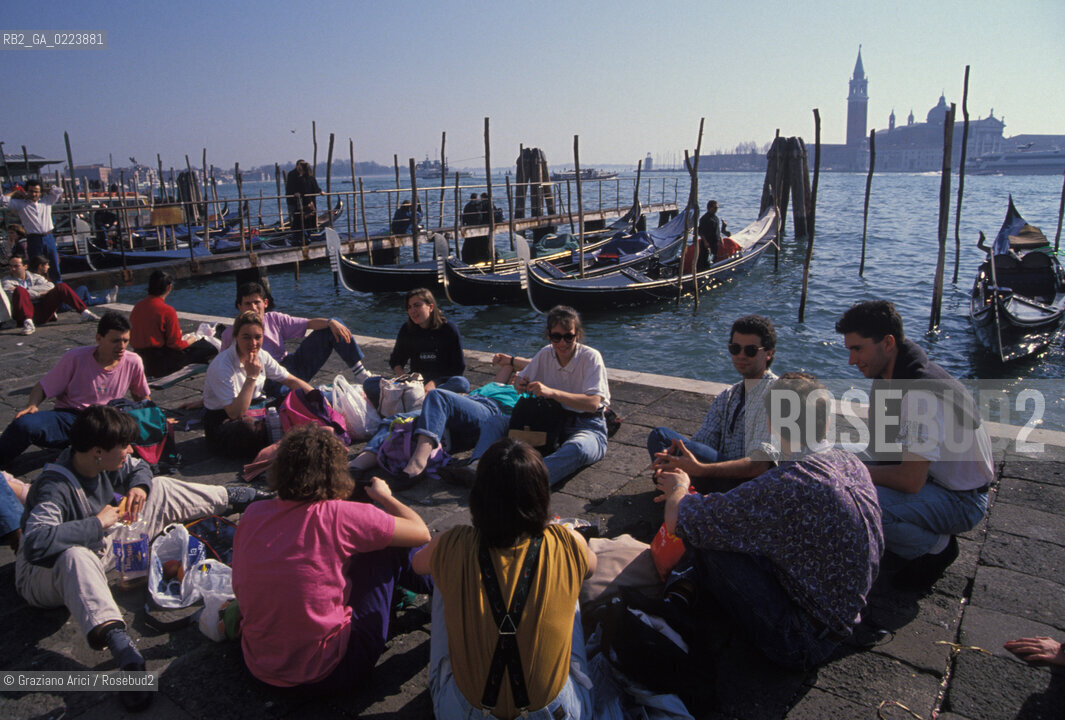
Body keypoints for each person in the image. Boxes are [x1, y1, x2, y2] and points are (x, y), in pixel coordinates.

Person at [15, 405, 271, 711]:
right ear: (97, 451)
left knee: (160, 488)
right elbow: (34, 544)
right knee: (75, 557)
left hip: (97, 544)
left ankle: (240, 498)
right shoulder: (54, 487)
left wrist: (139, 486)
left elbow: (139, 468)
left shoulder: (105, 461)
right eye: (123, 446)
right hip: (44, 573)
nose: (128, 451)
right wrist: (97, 524)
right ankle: (126, 655)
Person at [654, 373, 883, 670]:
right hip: (843, 611)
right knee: (737, 525)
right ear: (826, 422)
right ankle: (686, 590)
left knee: (708, 534)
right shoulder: (851, 462)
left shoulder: (788, 484)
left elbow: (678, 519)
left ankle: (677, 600)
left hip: (802, 640)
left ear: (772, 425)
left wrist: (680, 487)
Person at [232, 424, 431, 692]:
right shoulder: (338, 515)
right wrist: (386, 498)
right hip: (333, 670)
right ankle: (446, 586)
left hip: (260, 664)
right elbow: (421, 533)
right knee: (387, 547)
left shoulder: (254, 513)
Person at [412, 438, 597, 719]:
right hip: (553, 712)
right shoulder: (567, 542)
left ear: (479, 495)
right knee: (570, 574)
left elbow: (417, 564)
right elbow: (592, 567)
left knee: (442, 573)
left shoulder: (452, 543)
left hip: (469, 712)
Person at [836, 299, 993, 588]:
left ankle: (934, 548)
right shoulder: (894, 374)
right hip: (934, 479)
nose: (851, 360)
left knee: (854, 503)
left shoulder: (920, 395)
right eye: (849, 350)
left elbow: (910, 481)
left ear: (887, 342)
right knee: (837, 464)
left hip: (962, 500)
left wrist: (850, 470)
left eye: (858, 349)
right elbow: (881, 448)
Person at [398, 305, 609, 488]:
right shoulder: (547, 354)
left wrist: (552, 392)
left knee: (579, 448)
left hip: (587, 425)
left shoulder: (590, 358)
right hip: (551, 422)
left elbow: (593, 403)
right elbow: (520, 381)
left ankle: (525, 481)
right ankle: (476, 466)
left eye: (568, 337)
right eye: (556, 337)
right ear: (549, 335)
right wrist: (520, 384)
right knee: (495, 422)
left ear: (577, 335)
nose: (562, 343)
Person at [0, 312, 148, 470]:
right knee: (24, 425)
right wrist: (32, 405)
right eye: (115, 341)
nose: (122, 346)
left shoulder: (133, 361)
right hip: (71, 418)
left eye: (125, 340)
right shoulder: (76, 357)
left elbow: (142, 397)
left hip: (105, 421)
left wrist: (154, 417)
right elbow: (42, 386)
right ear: (99, 338)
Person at [649, 314, 778, 492]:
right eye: (735, 348)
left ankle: (679, 486)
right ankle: (678, 482)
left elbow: (760, 466)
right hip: (719, 474)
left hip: (753, 486)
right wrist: (675, 456)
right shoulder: (728, 396)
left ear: (768, 353)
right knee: (660, 437)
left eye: (750, 350)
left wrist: (699, 469)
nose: (741, 355)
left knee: (674, 451)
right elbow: (703, 441)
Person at [219, 281, 372, 396]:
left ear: (265, 303)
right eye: (247, 303)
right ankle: (321, 396)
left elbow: (309, 323)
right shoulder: (230, 334)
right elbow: (223, 367)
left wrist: (330, 322)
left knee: (333, 325)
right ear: (239, 306)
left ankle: (361, 374)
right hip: (267, 378)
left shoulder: (274, 319)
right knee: (298, 396)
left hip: (291, 365)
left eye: (256, 302)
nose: (253, 307)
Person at [203, 310, 314, 458]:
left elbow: (291, 380)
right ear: (236, 337)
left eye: (258, 337)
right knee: (247, 427)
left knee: (298, 397)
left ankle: (283, 437)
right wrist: (251, 377)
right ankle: (287, 439)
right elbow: (235, 413)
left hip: (255, 410)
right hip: (225, 421)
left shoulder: (261, 355)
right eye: (246, 337)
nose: (253, 343)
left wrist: (316, 397)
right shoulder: (222, 366)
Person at [364, 288, 468, 408]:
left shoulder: (448, 329)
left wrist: (434, 383)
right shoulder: (407, 330)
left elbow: (458, 369)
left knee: (462, 383)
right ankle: (418, 402)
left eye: (417, 305)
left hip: (440, 384)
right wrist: (404, 378)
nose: (412, 311)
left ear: (430, 307)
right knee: (369, 383)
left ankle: (420, 402)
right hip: (415, 385)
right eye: (409, 307)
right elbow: (396, 360)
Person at [130, 269, 218, 377]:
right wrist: (191, 340)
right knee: (208, 347)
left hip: (140, 359)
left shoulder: (138, 306)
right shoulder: (167, 310)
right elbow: (176, 345)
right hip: (160, 363)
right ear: (169, 287)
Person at [2, 255, 100, 335]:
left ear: (25, 266)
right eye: (11, 266)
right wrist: (40, 294)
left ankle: (85, 313)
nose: (13, 269)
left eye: (16, 266)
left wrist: (28, 292)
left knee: (61, 286)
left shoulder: (34, 276)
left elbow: (50, 286)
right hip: (23, 315)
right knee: (19, 290)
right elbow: (11, 294)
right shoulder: (6, 281)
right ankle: (28, 323)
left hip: (41, 311)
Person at [1, 179, 64, 281]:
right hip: (33, 238)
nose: (34, 194)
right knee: (35, 266)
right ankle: (38, 288)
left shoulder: (46, 201)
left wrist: (44, 189)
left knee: (54, 264)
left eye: (36, 191)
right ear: (27, 191)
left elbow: (59, 190)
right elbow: (2, 200)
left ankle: (58, 286)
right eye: (31, 191)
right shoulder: (21, 204)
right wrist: (16, 192)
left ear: (40, 192)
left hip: (48, 237)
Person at [29, 256, 116, 309]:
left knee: (82, 300)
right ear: (40, 266)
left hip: (56, 303)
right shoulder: (38, 279)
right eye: (47, 265)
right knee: (83, 288)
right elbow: (50, 288)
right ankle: (104, 299)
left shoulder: (34, 278)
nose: (49, 267)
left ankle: (105, 299)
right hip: (59, 305)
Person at [285, 160, 323, 241]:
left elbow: (312, 187)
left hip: (307, 203)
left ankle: (306, 236)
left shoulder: (308, 178)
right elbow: (291, 188)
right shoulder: (293, 175)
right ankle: (299, 236)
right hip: (299, 203)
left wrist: (320, 191)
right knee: (298, 220)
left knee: (307, 221)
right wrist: (295, 193)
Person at [695, 200, 728, 270]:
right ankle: (701, 271)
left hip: (714, 242)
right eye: (715, 208)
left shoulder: (716, 218)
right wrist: (705, 242)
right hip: (707, 243)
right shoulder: (704, 218)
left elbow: (717, 229)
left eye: (717, 208)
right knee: (703, 259)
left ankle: (711, 270)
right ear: (709, 208)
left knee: (713, 258)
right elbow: (701, 232)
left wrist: (720, 237)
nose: (716, 210)